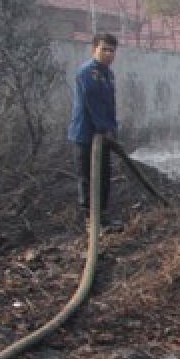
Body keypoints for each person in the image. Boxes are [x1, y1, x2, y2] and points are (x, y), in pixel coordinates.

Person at [67, 32, 120, 229]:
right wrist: (103, 128)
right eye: (104, 49)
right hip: (85, 134)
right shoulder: (87, 72)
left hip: (103, 134)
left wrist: (113, 129)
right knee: (87, 176)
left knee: (104, 175)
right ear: (94, 49)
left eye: (112, 51)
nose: (108, 54)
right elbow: (93, 105)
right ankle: (90, 220)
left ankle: (102, 217)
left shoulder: (108, 74)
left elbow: (109, 106)